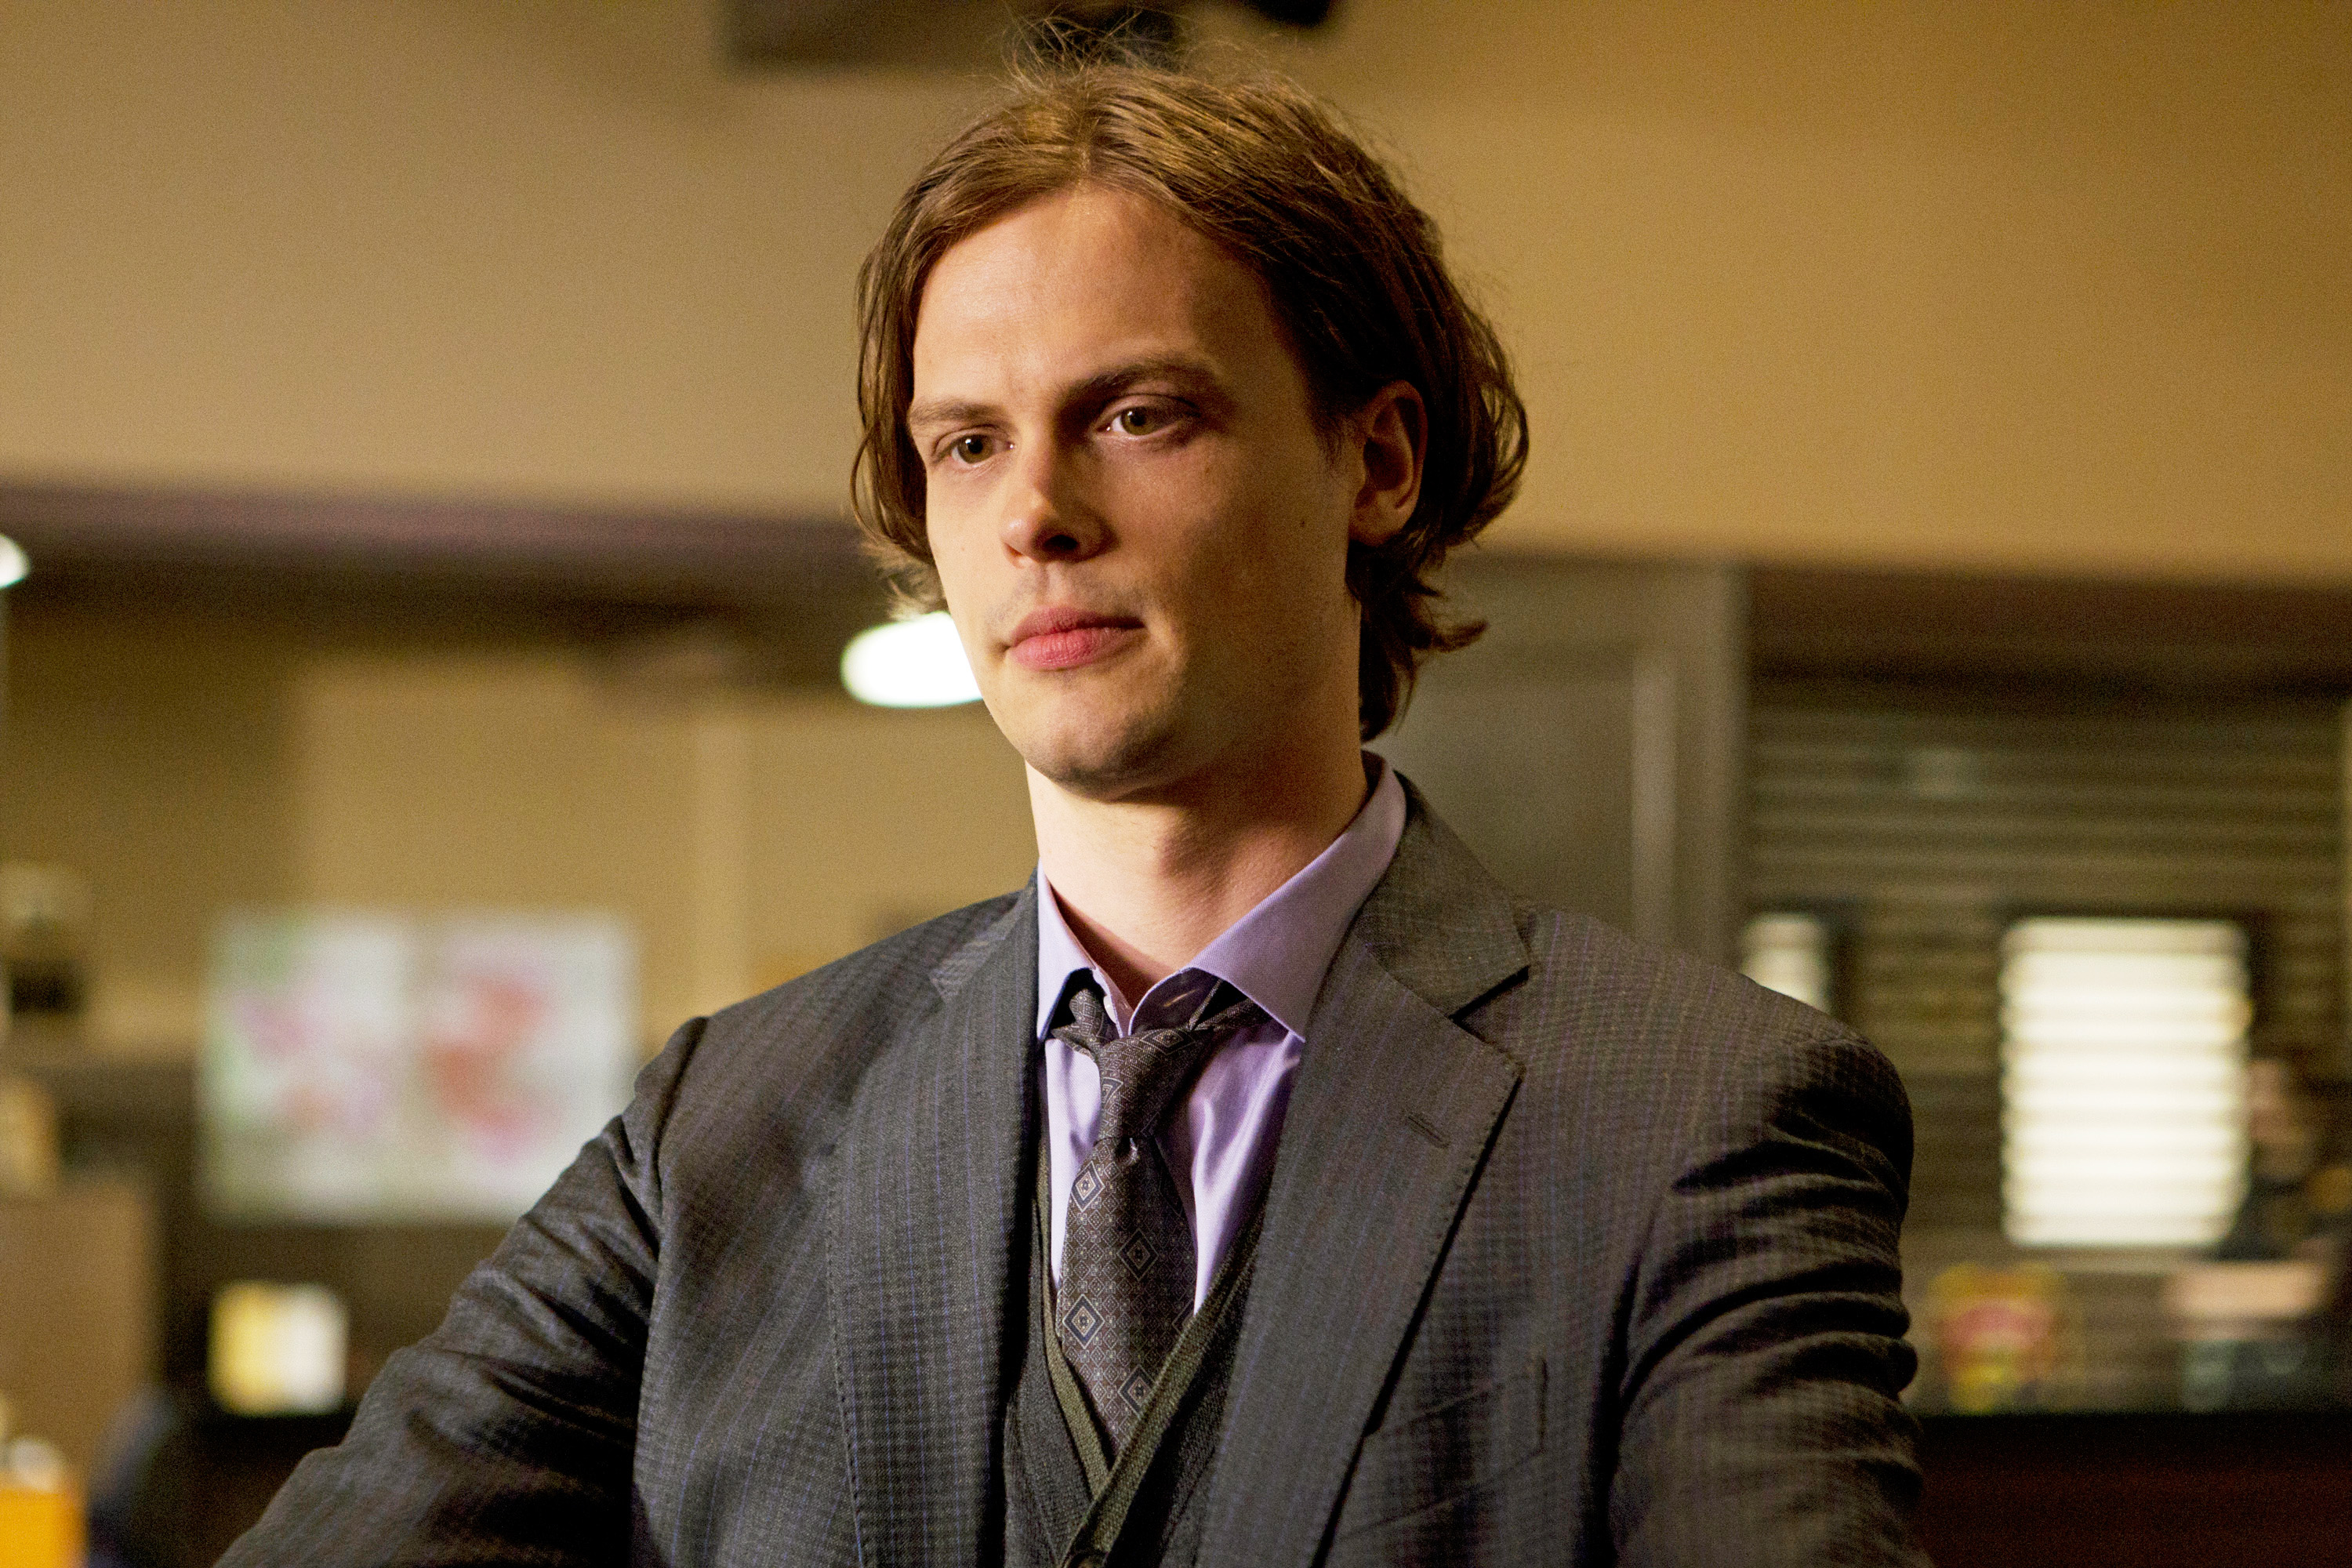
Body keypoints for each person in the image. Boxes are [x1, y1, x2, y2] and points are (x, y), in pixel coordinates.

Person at [223, 61, 1926, 1567]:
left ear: (1377, 464)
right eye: (967, 443)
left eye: (1138, 413)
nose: (1037, 510)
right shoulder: (717, 1128)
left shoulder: (1695, 1116)